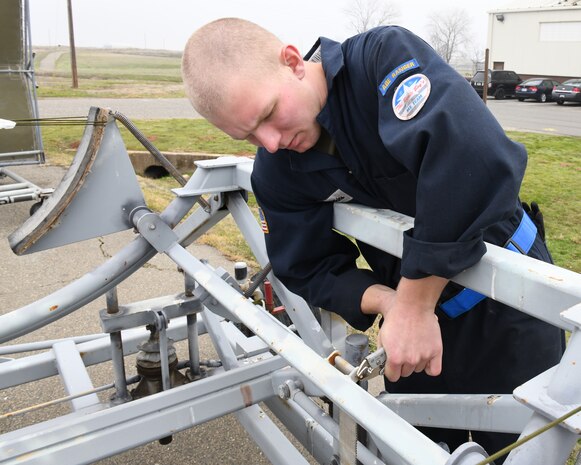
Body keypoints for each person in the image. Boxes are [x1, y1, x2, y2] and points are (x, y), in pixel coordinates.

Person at [182, 18, 564, 463]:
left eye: (267, 115)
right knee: (415, 448)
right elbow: (303, 265)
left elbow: (473, 158)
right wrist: (389, 303)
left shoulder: (383, 59)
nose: (270, 142)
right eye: (248, 135)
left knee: (520, 447)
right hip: (412, 329)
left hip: (511, 311)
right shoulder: (277, 168)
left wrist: (415, 302)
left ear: (292, 62)